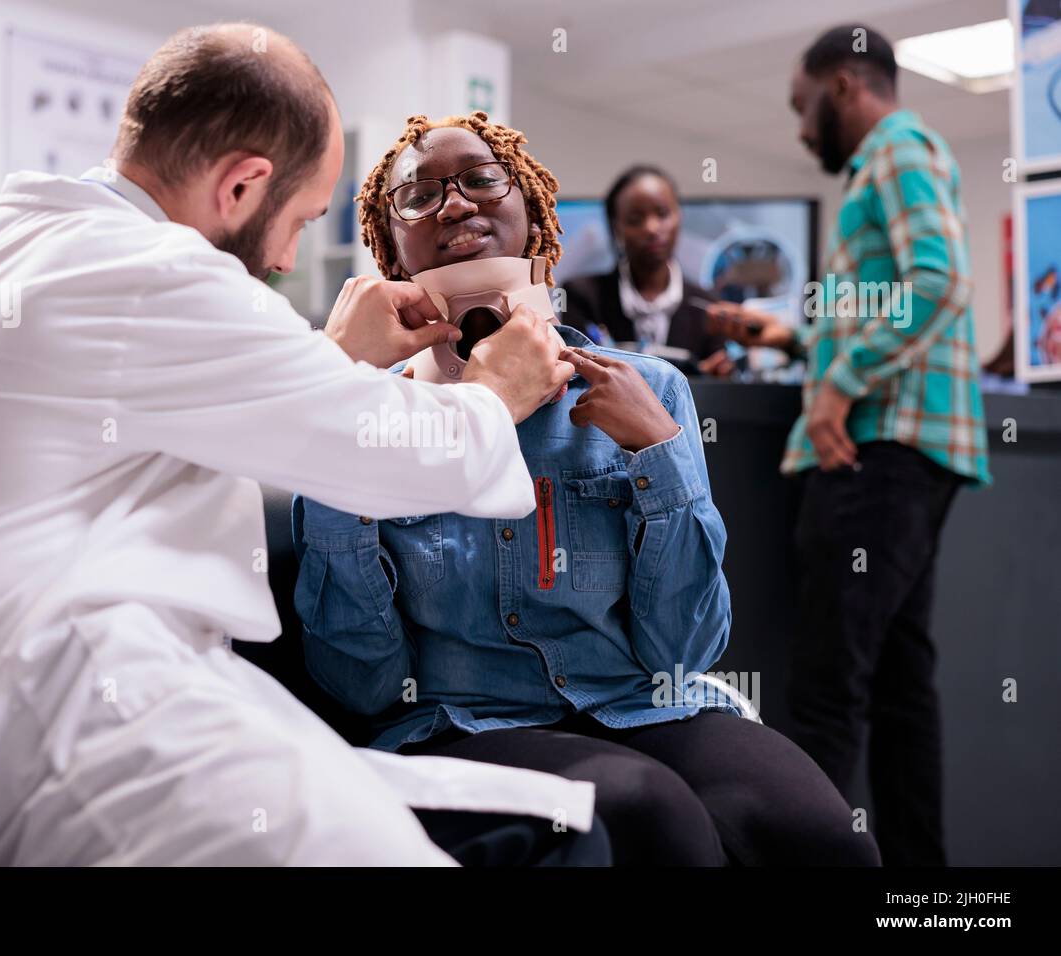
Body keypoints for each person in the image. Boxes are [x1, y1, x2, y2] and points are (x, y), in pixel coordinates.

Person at [0, 23, 611, 866]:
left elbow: (152, 412)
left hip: (27, 724)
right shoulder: (151, 271)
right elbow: (412, 457)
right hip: (86, 741)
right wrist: (498, 392)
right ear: (243, 185)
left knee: (560, 831)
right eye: (301, 221)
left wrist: (331, 358)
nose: (284, 260)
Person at [293, 112, 882, 866]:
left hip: (641, 704)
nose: (454, 203)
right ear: (389, 248)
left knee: (829, 841)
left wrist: (659, 457)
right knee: (651, 816)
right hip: (464, 722)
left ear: (534, 213)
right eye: (419, 195)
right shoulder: (370, 418)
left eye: (480, 179)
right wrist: (345, 453)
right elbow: (365, 686)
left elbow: (685, 651)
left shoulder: (651, 391)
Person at [707, 24, 992, 866]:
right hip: (908, 448)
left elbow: (938, 284)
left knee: (830, 691)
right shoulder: (899, 161)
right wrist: (801, 344)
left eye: (802, 107)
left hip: (877, 450)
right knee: (901, 691)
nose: (800, 129)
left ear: (842, 86)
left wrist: (838, 383)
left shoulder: (898, 150)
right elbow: (894, 302)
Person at [563, 165, 732, 375]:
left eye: (662, 214)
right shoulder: (582, 296)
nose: (651, 228)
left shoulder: (708, 307)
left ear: (679, 217)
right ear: (616, 227)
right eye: (635, 219)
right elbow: (577, 375)